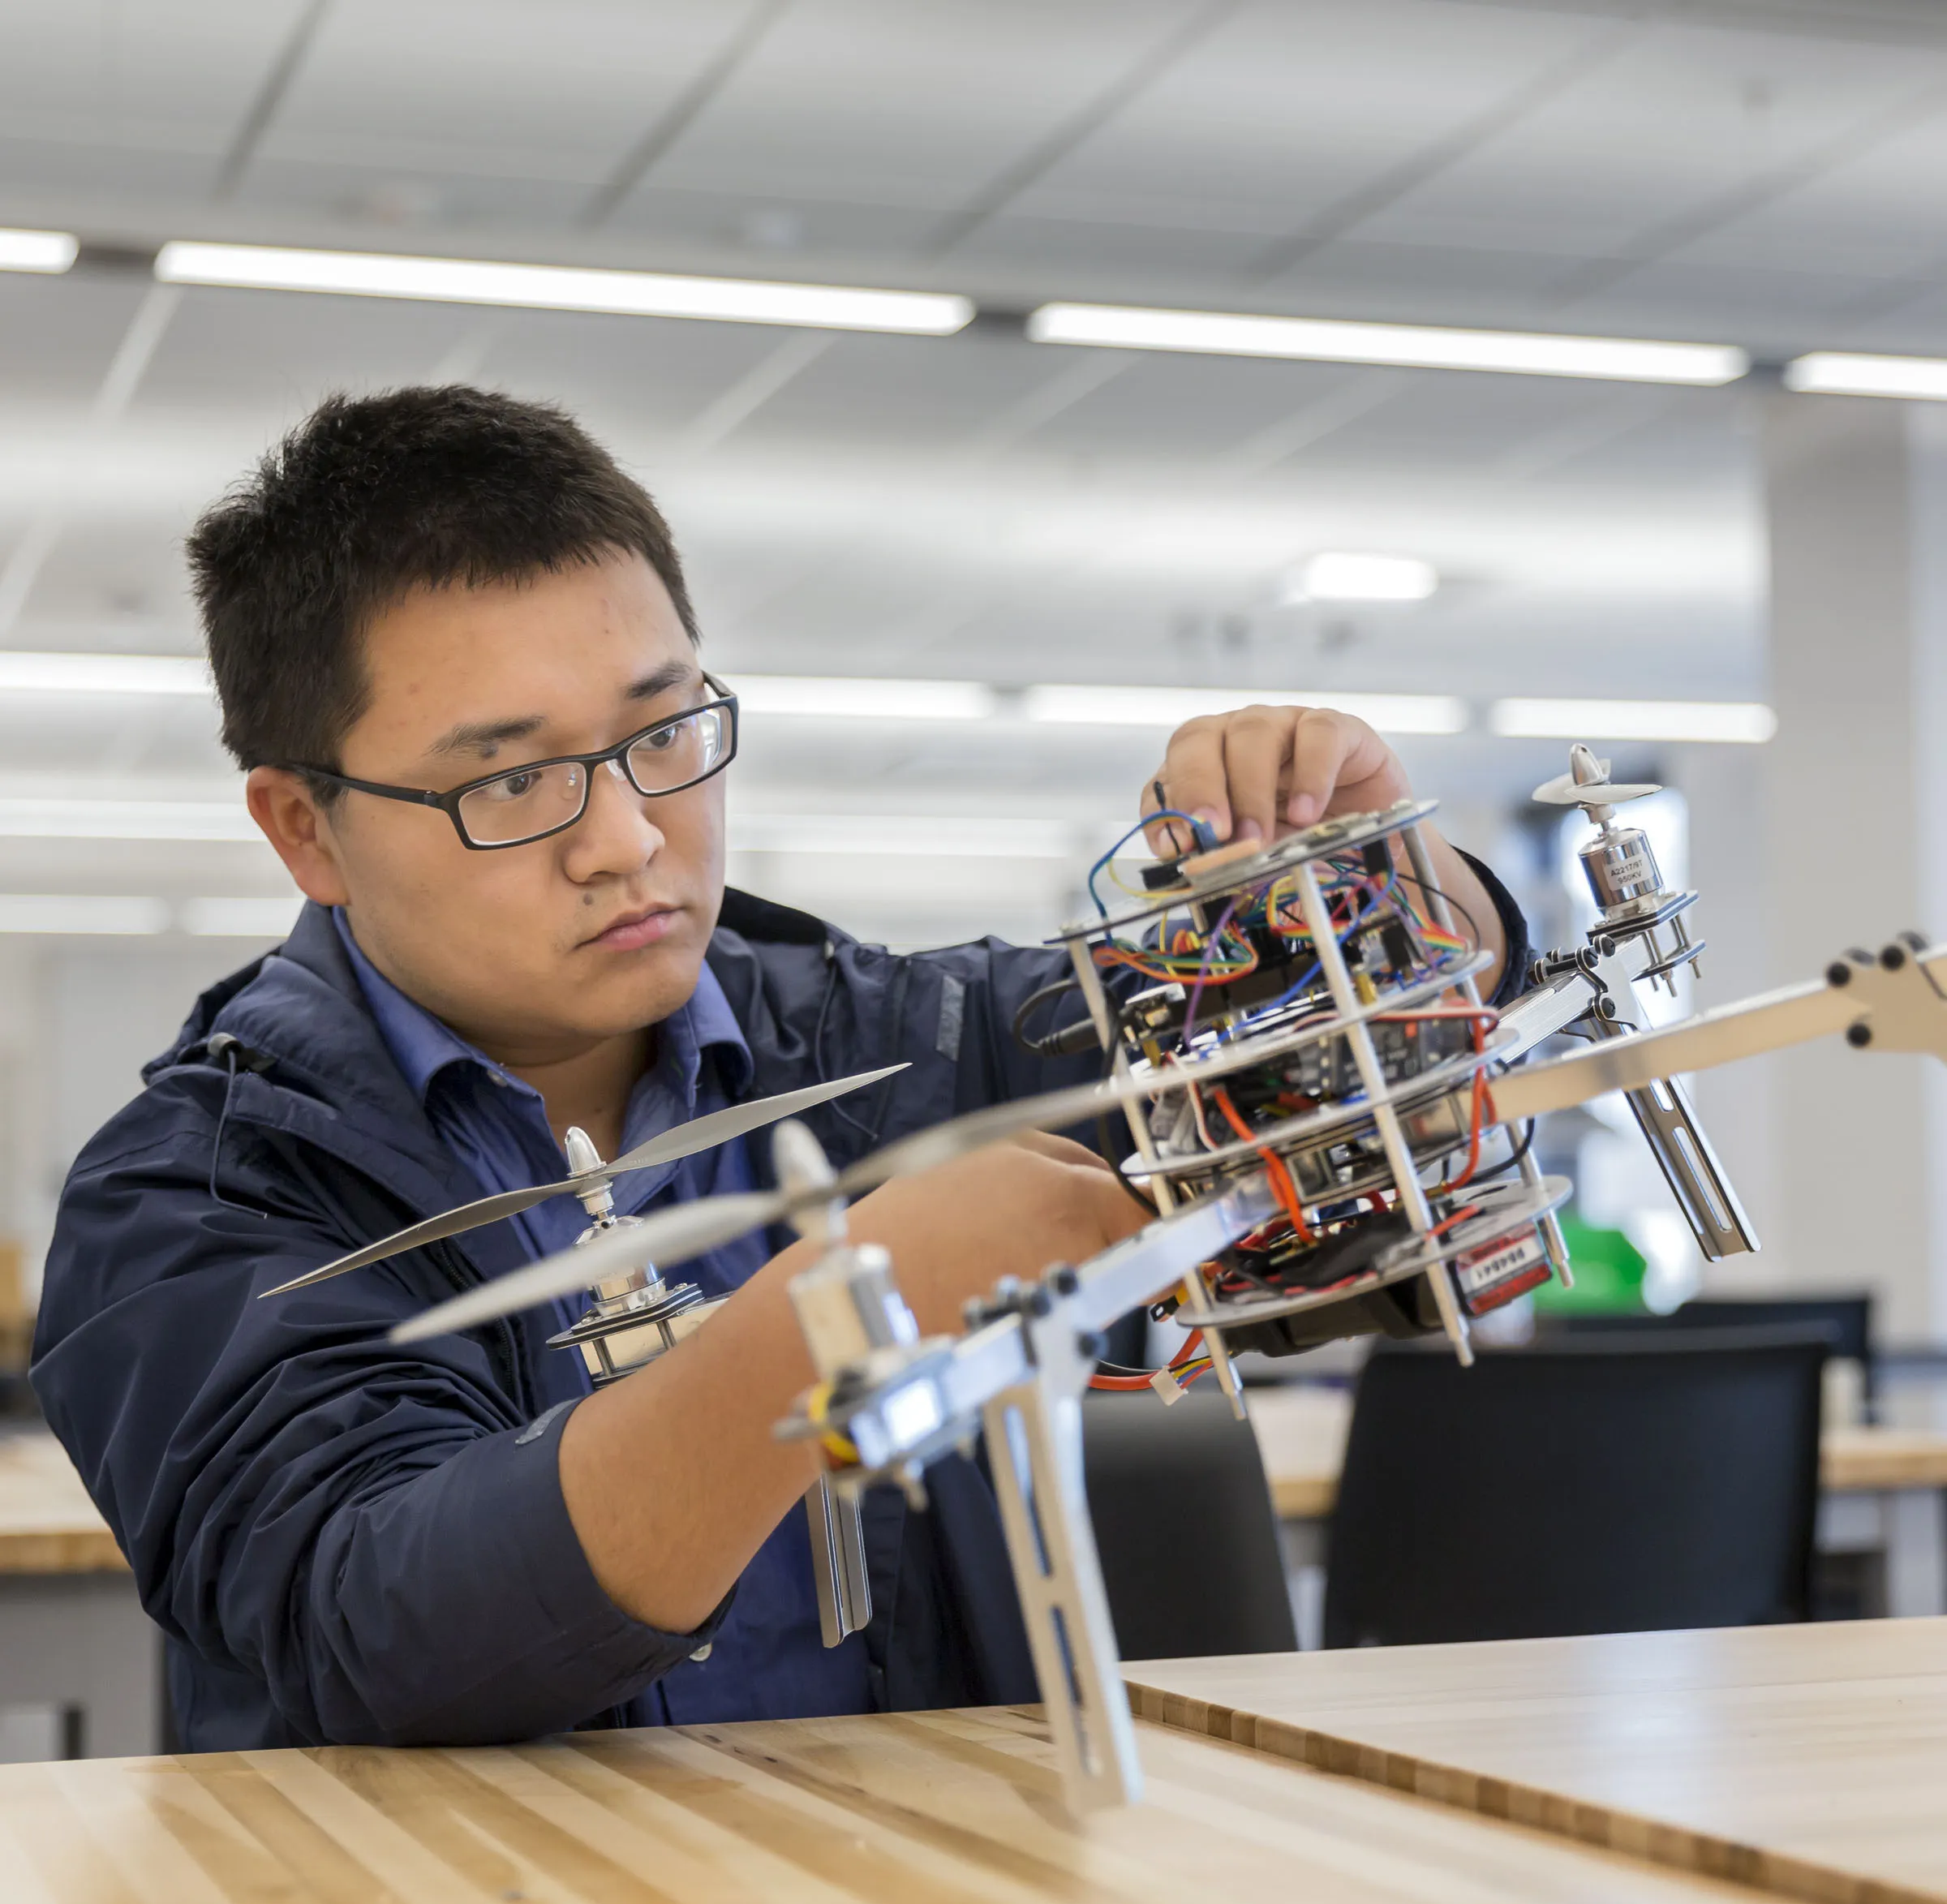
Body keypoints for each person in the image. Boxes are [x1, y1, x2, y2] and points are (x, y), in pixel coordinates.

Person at [31, 386, 1527, 1751]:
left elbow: (1291, 1061)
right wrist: (827, 1325)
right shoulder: (192, 1200)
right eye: (512, 779)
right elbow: (388, 1627)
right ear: (304, 827)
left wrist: (1381, 882)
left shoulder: (888, 1048)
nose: (624, 838)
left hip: (918, 1887)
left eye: (663, 731)